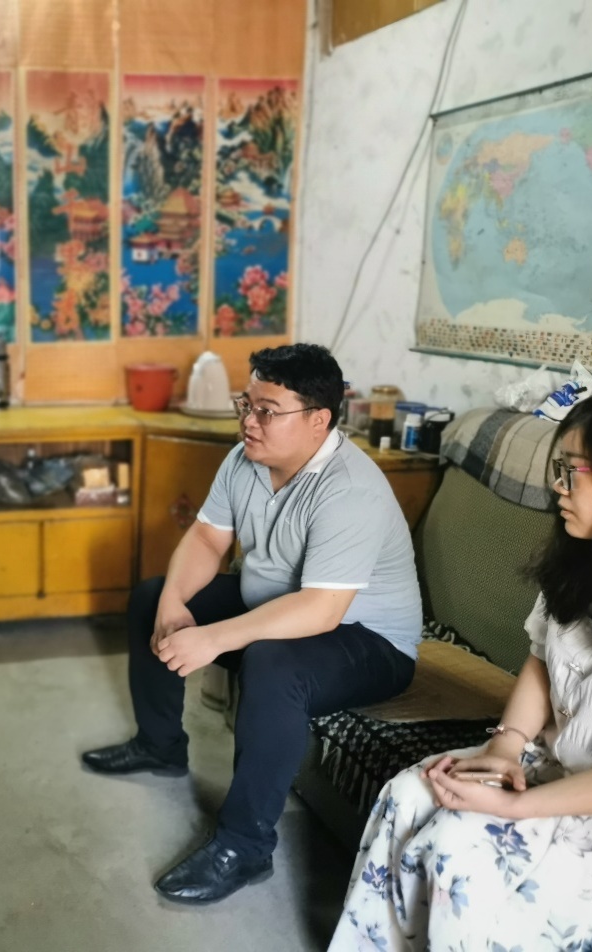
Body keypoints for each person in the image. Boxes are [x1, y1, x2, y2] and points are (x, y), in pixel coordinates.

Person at [83, 343, 422, 905]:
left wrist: (213, 638)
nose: (249, 421)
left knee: (272, 662)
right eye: (247, 404)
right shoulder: (245, 459)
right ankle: (159, 745)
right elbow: (206, 538)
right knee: (150, 599)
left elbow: (321, 609)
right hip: (274, 606)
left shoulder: (350, 489)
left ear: (318, 420)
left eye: (268, 411)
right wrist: (173, 602)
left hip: (369, 642)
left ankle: (244, 847)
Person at [330, 384, 592, 950]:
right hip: (554, 762)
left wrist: (517, 803)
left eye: (573, 471)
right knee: (409, 794)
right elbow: (541, 663)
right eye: (558, 468)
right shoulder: (581, 564)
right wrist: (505, 746)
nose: (558, 486)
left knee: (460, 849)